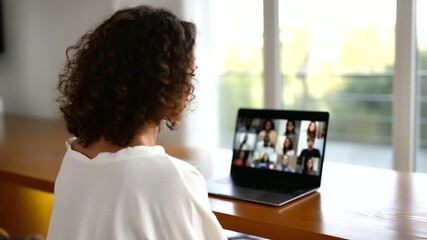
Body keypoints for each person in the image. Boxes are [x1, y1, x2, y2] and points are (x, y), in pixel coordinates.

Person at [47, 5, 226, 240]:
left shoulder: (73, 158)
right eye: (189, 74)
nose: (190, 86)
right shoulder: (173, 178)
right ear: (164, 82)